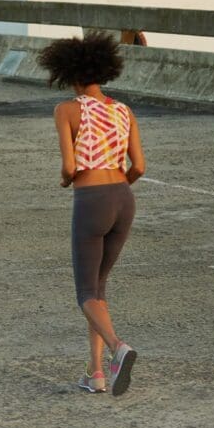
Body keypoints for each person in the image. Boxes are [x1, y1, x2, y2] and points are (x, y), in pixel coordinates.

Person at [37, 32, 146, 396]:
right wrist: (119, 186)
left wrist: (67, 181)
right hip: (123, 199)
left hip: (92, 200)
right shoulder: (123, 110)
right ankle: (96, 372)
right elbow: (140, 166)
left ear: (68, 73)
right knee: (99, 290)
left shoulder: (66, 110)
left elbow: (70, 167)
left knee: (85, 291)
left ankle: (117, 348)